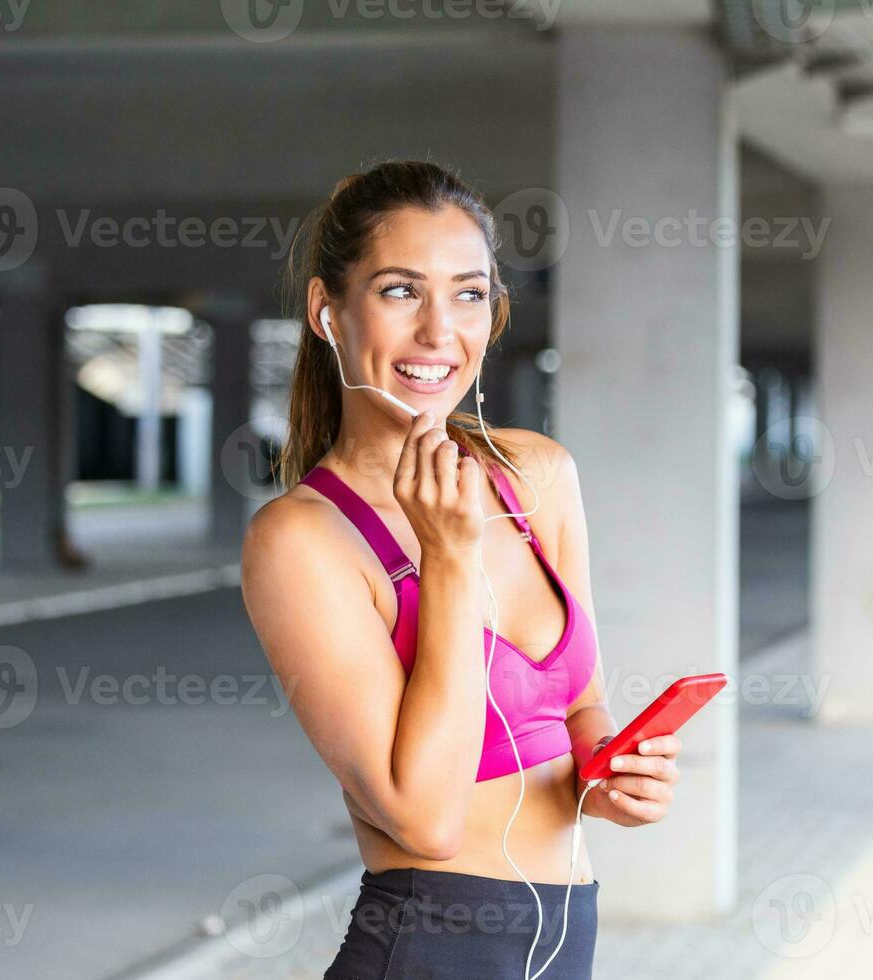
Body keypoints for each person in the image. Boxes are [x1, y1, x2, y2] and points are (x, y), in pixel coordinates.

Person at [239, 160, 685, 979]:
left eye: (469, 293)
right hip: (429, 950)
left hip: (563, 945)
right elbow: (425, 818)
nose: (440, 332)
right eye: (401, 291)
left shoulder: (536, 475)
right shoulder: (303, 539)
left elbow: (576, 703)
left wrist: (614, 778)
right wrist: (447, 559)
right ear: (327, 312)